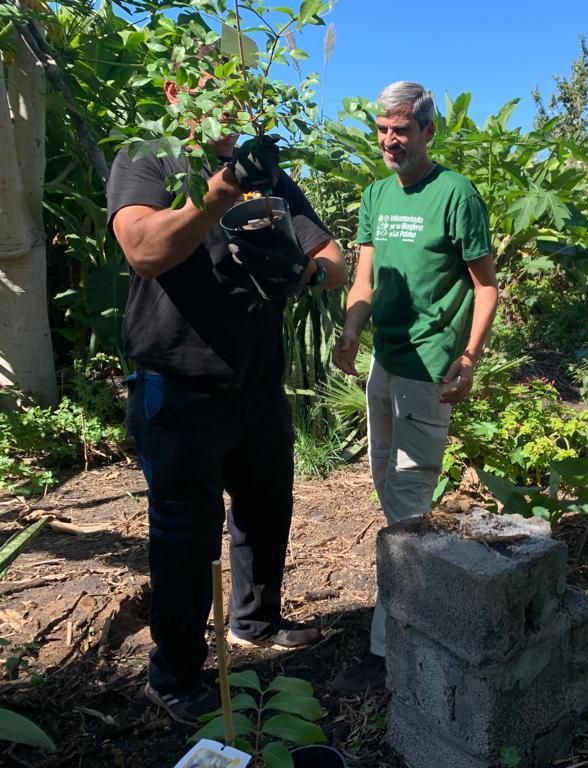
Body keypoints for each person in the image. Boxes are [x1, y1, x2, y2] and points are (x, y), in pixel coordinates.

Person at [107, 74, 348, 724]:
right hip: (178, 384)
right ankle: (176, 675)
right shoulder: (150, 155)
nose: (225, 105)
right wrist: (221, 189)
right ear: (175, 94)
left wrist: (299, 271)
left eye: (234, 95)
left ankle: (255, 624)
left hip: (258, 382)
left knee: (266, 512)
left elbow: (337, 262)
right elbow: (143, 248)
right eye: (207, 89)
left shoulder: (270, 178)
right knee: (185, 537)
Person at [330, 81, 499, 693]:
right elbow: (364, 278)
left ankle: (388, 649)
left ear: (428, 131)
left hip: (429, 368)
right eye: (382, 129)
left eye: (401, 130)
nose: (389, 140)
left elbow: (486, 286)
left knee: (406, 503)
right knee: (387, 486)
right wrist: (351, 331)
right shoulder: (376, 194)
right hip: (384, 362)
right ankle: (421, 598)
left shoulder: (456, 195)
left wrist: (470, 356)